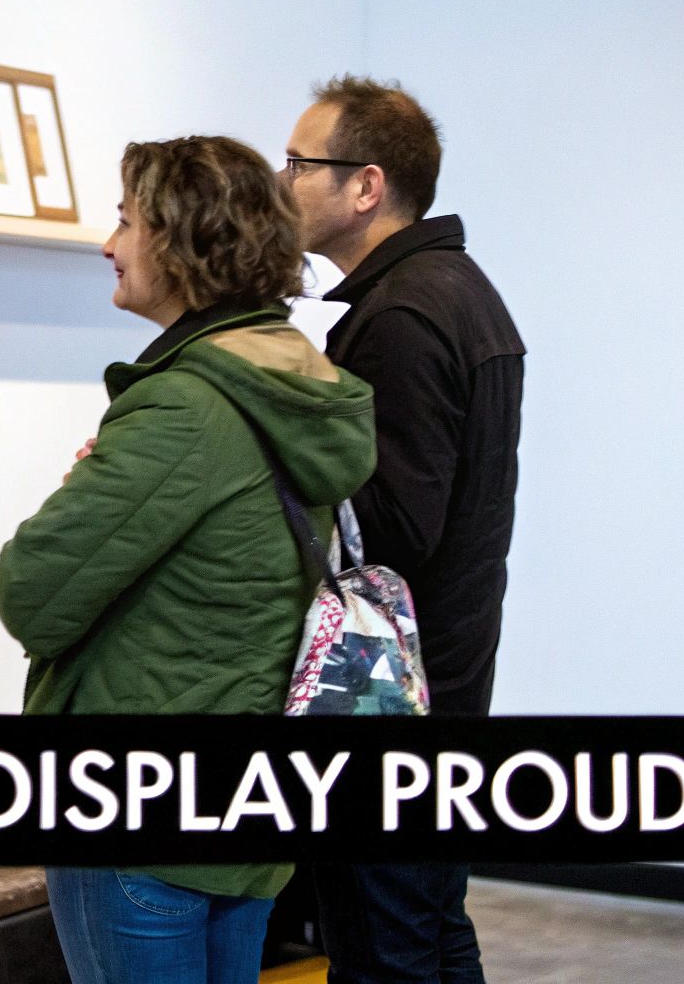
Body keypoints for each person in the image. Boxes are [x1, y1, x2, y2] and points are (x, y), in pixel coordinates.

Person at [0, 136, 376, 984]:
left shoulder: (185, 407)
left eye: (127, 222)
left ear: (180, 241)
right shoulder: (296, 381)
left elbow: (31, 594)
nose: (109, 244)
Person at [280, 75, 525, 983]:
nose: (283, 182)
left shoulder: (406, 314)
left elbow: (391, 529)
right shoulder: (450, 290)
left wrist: (272, 452)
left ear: (366, 186)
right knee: (425, 930)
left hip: (394, 694)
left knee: (386, 948)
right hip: (437, 677)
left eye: (299, 164)